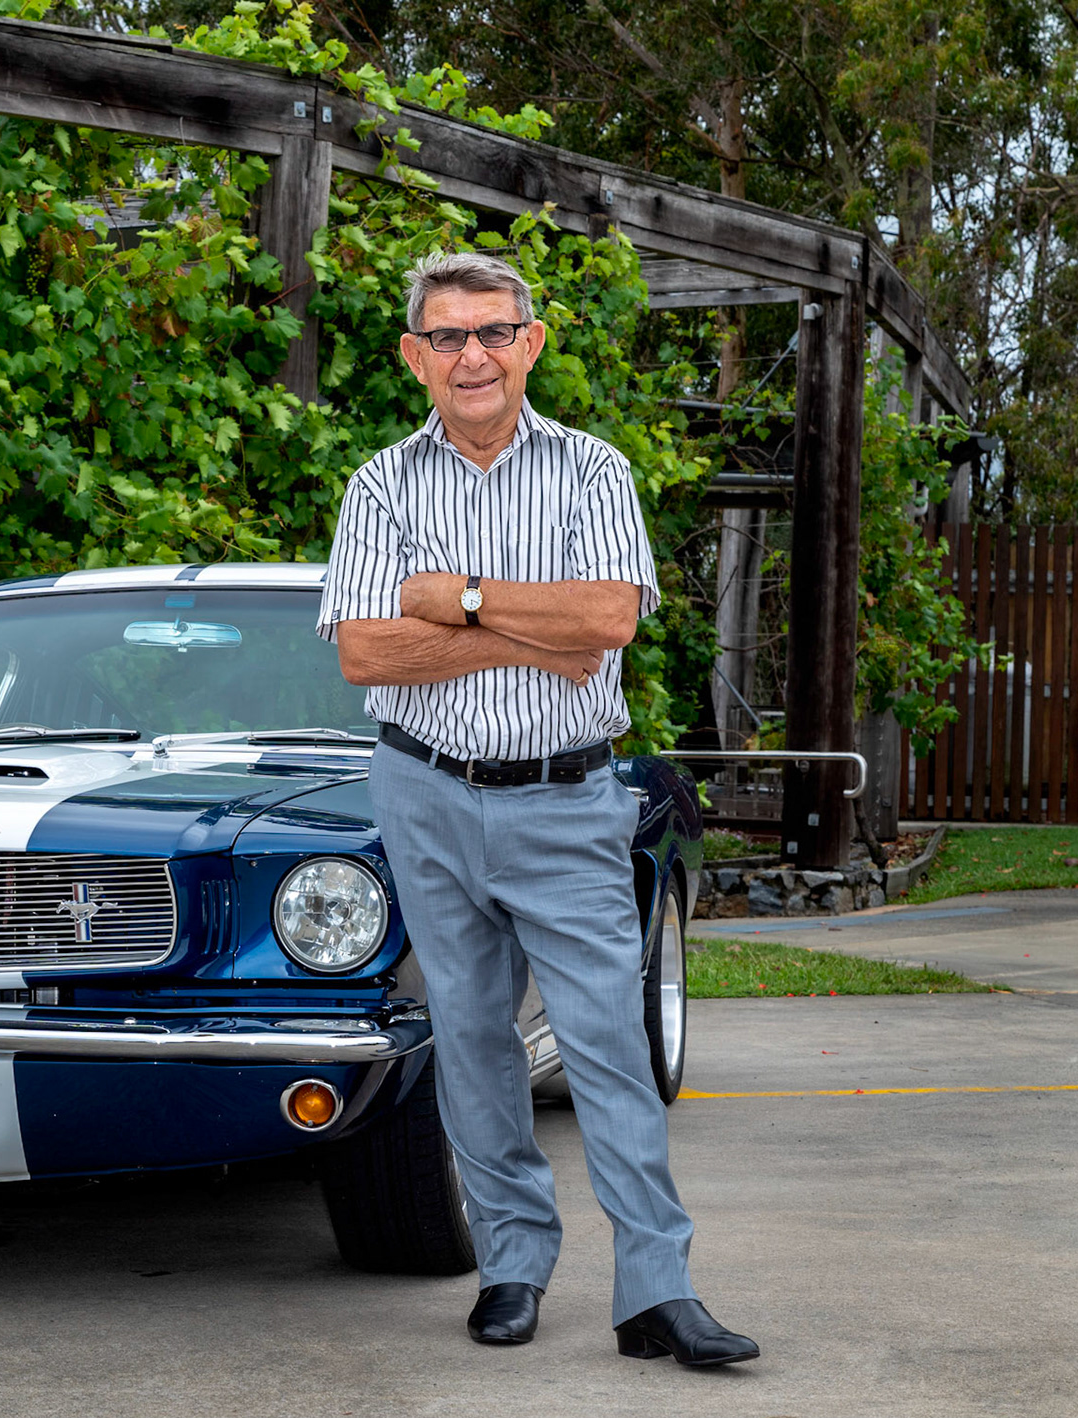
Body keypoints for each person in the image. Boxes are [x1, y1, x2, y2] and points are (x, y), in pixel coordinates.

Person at [315, 250, 758, 1367]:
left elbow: (607, 620)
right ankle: (512, 1265)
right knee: (472, 1041)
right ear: (415, 356)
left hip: (565, 799)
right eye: (448, 336)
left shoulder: (593, 471)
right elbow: (366, 652)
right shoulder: (380, 486)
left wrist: (456, 600)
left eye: (493, 332)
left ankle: (655, 1289)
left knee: (607, 1044)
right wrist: (529, 633)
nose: (473, 355)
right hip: (423, 792)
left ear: (531, 344)